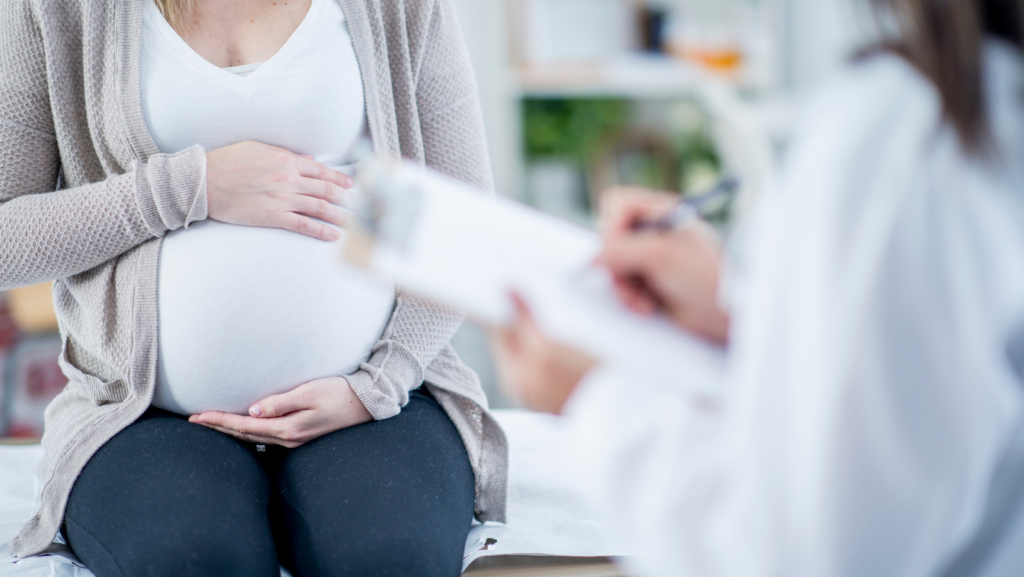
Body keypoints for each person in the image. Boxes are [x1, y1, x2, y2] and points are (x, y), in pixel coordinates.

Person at [493, 0, 1024, 575]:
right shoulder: (986, 104)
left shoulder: (909, 125)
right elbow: (939, 369)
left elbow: (797, 556)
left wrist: (599, 400)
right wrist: (743, 307)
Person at [0, 0, 507, 575]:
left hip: (377, 402)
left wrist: (379, 384)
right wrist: (191, 186)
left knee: (388, 559)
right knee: (193, 562)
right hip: (144, 414)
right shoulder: (54, 9)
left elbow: (465, 226)